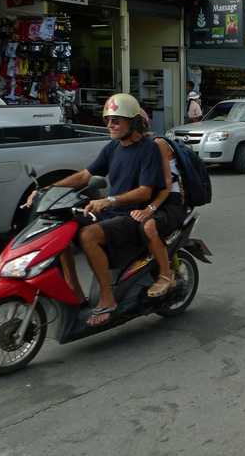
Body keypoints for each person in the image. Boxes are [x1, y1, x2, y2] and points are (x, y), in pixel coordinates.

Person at [28, 94, 166, 325]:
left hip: (132, 215)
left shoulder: (148, 149)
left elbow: (145, 192)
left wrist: (110, 201)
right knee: (61, 227)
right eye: (108, 120)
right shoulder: (112, 147)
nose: (110, 125)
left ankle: (107, 298)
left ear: (132, 122)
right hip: (111, 213)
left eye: (116, 120)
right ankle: (75, 291)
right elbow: (84, 176)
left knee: (87, 235)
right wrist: (47, 188)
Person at [131, 110, 189, 298]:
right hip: (151, 198)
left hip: (171, 201)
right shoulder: (129, 147)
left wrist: (150, 208)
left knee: (148, 226)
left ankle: (166, 274)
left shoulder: (156, 145)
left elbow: (167, 184)